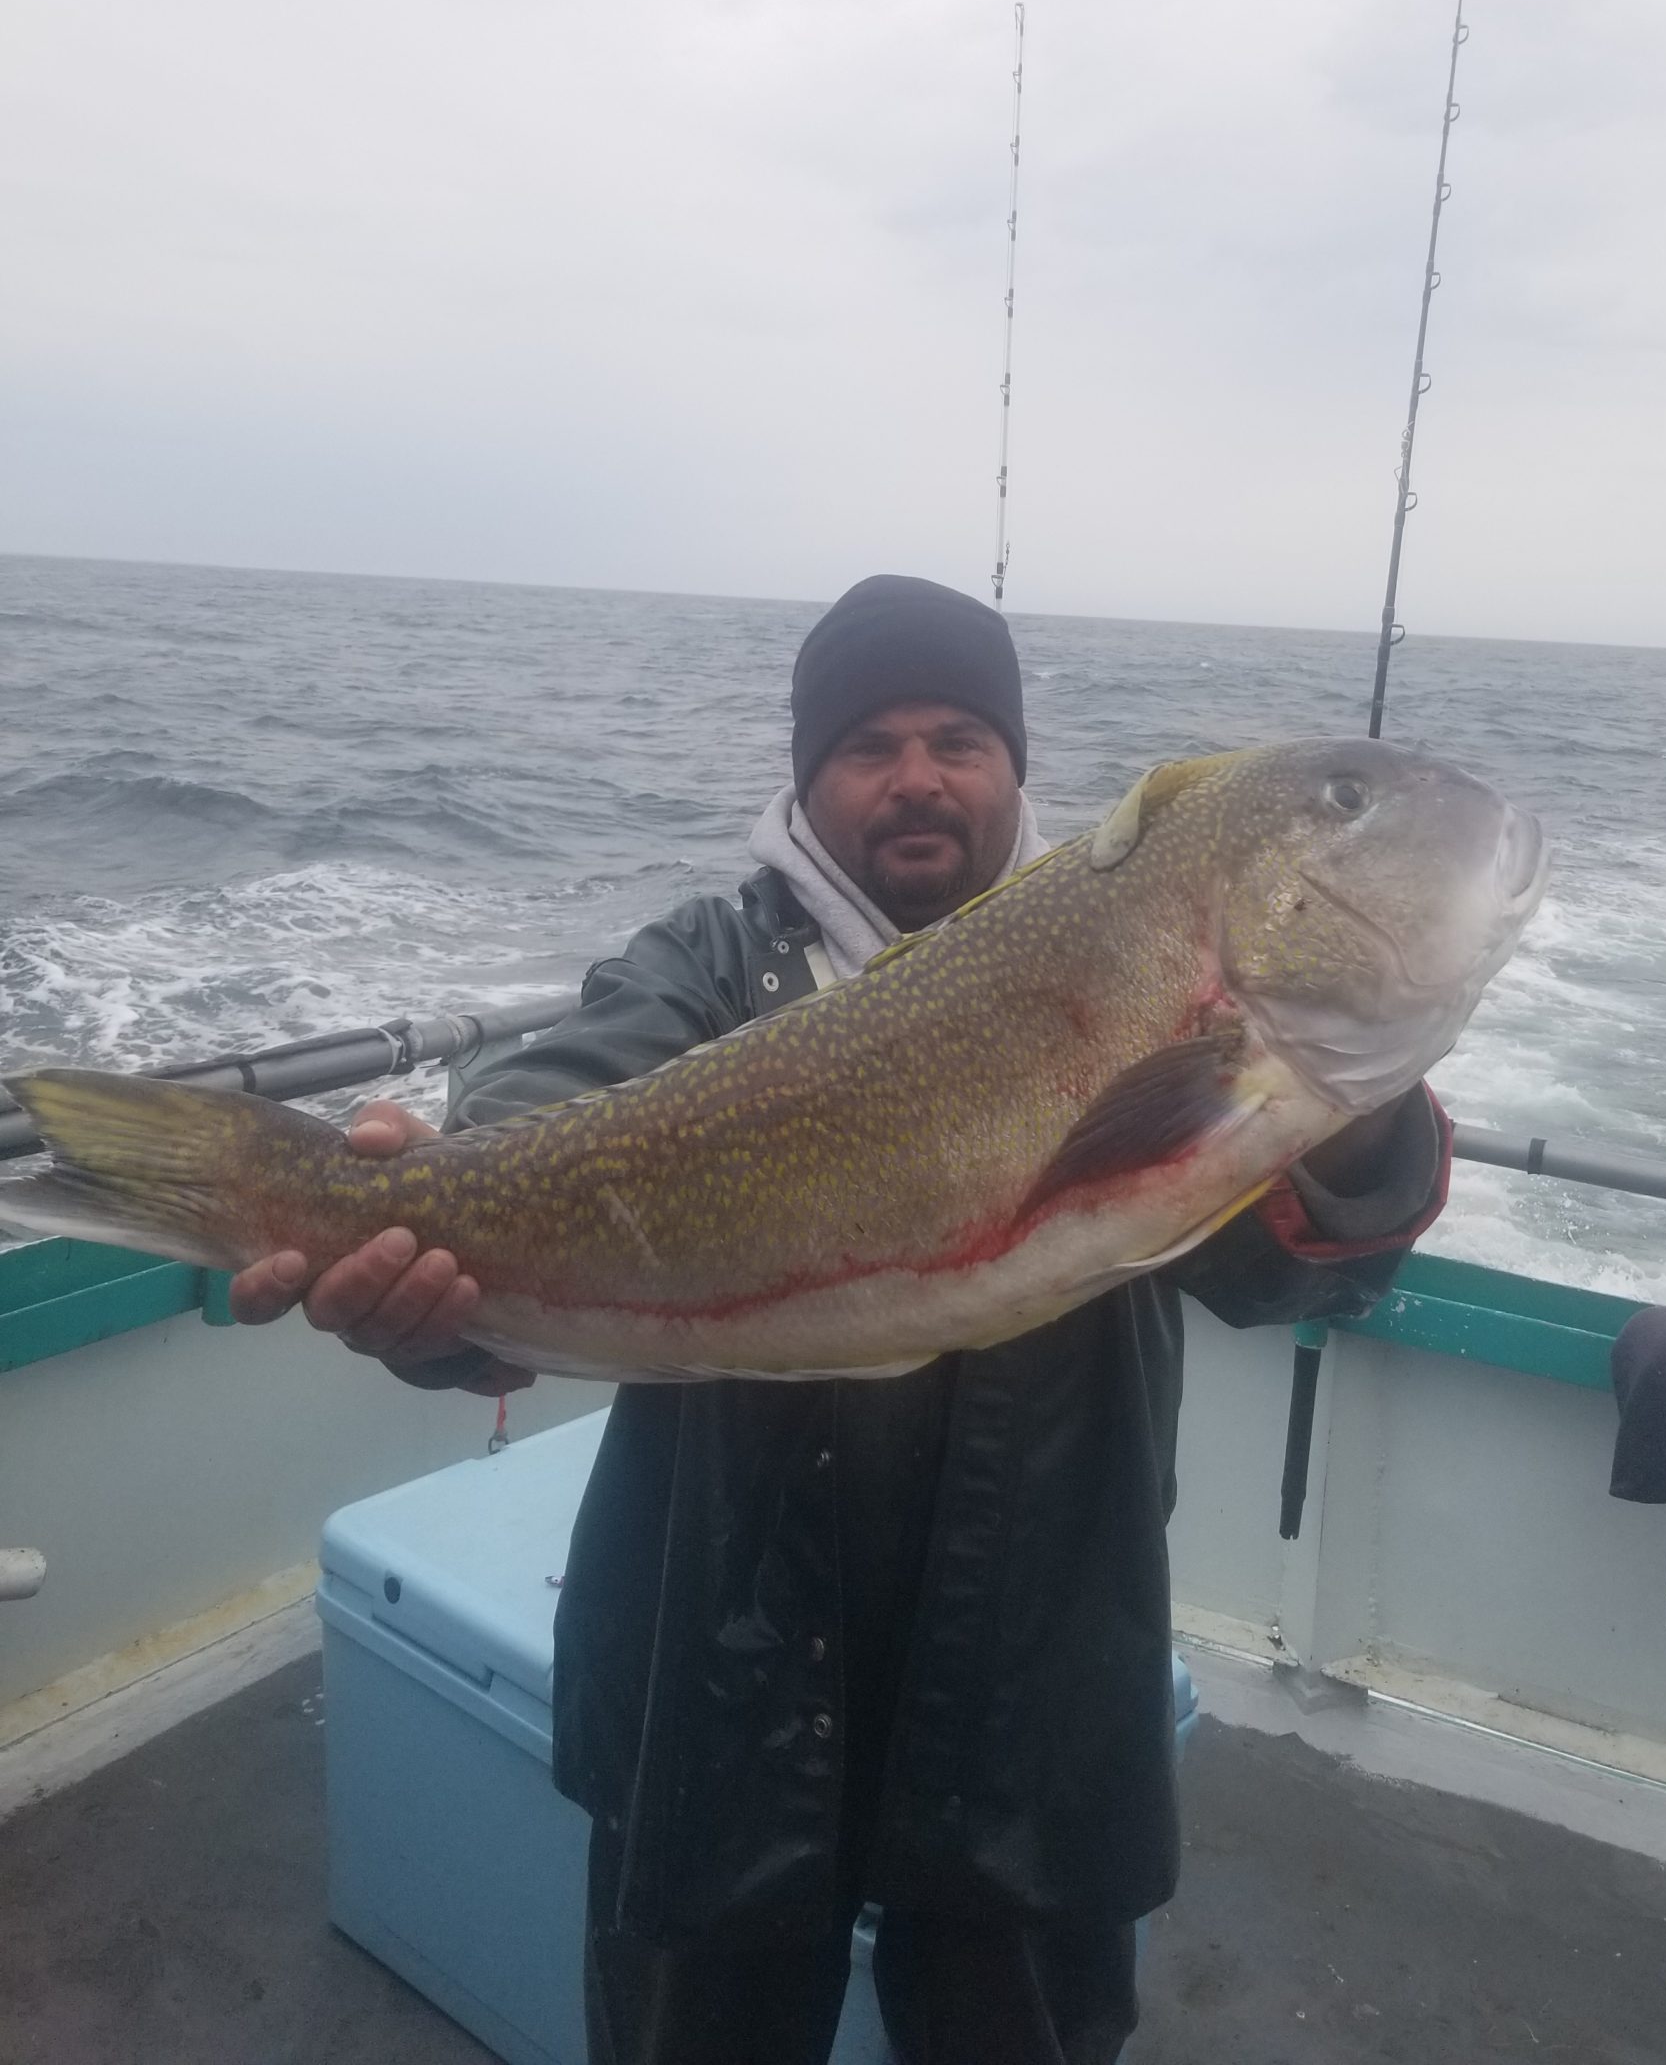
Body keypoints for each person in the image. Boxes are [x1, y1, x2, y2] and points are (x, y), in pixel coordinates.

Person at [232, 574, 1451, 2065]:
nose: (917, 776)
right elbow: (555, 1097)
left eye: (958, 740)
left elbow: (1292, 1281)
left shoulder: (1143, 967)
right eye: (870, 744)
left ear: (1014, 768)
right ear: (809, 776)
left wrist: (1343, 1108)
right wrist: (424, 1252)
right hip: (722, 1664)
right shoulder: (706, 964)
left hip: (1034, 1677)